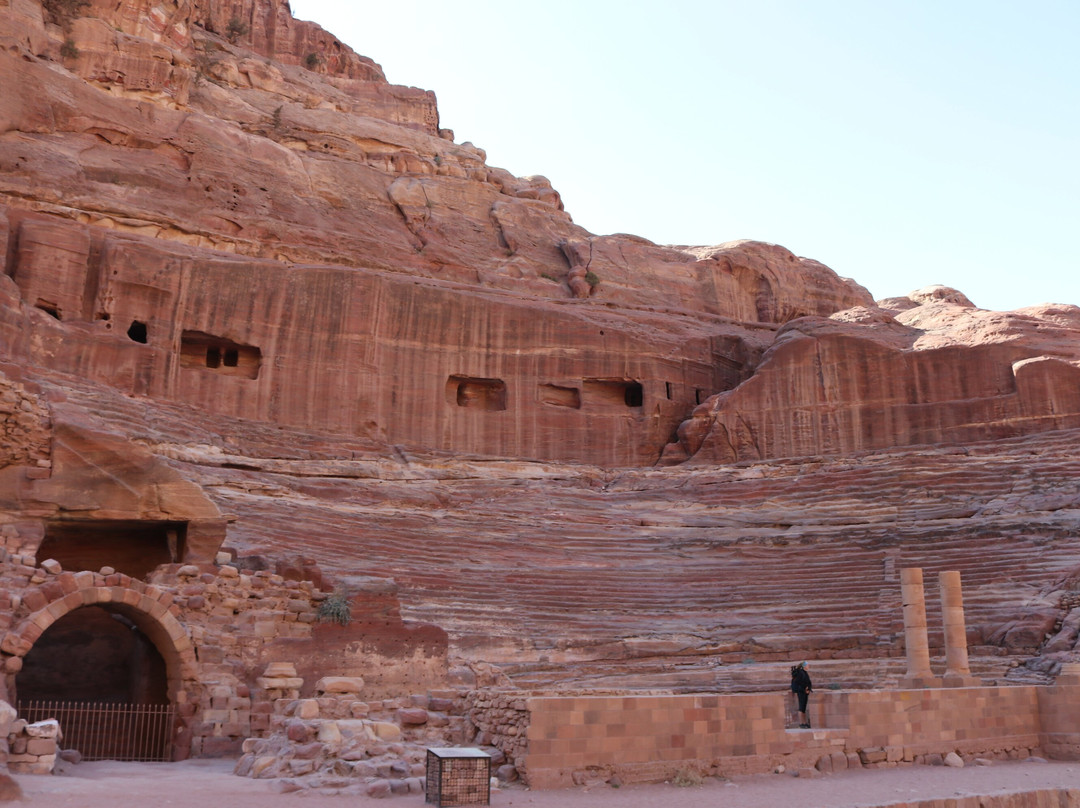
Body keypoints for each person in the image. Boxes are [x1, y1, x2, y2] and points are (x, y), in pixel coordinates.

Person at [790, 661, 813, 728]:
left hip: (804, 692)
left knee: (803, 708)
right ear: (804, 666)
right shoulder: (801, 673)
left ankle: (804, 722)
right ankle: (801, 723)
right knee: (801, 708)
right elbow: (799, 682)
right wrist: (805, 689)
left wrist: (808, 689)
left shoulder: (804, 672)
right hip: (801, 692)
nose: (809, 666)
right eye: (808, 665)